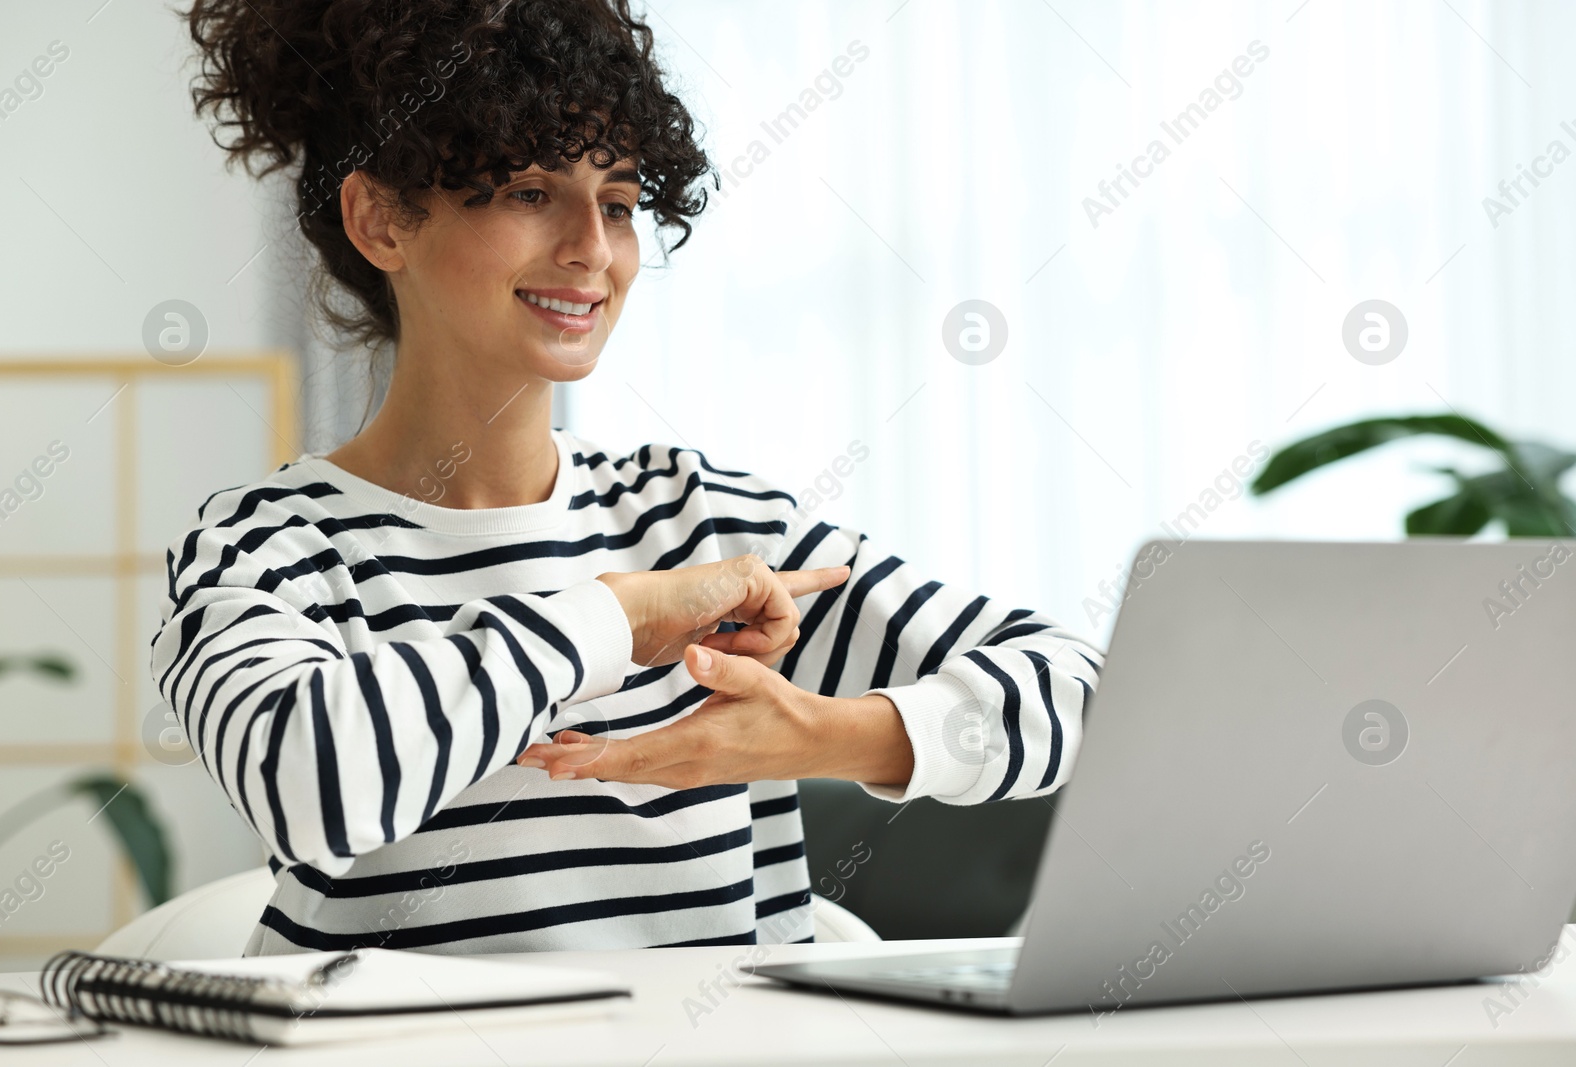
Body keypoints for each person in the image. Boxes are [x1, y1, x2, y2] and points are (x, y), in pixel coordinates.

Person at [155, 0, 1102, 955]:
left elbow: (1086, 691)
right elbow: (310, 782)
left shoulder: (707, 521)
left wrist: (830, 736)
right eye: (529, 192)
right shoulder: (267, 543)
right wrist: (616, 617)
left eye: (617, 202)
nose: (593, 250)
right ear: (382, 220)